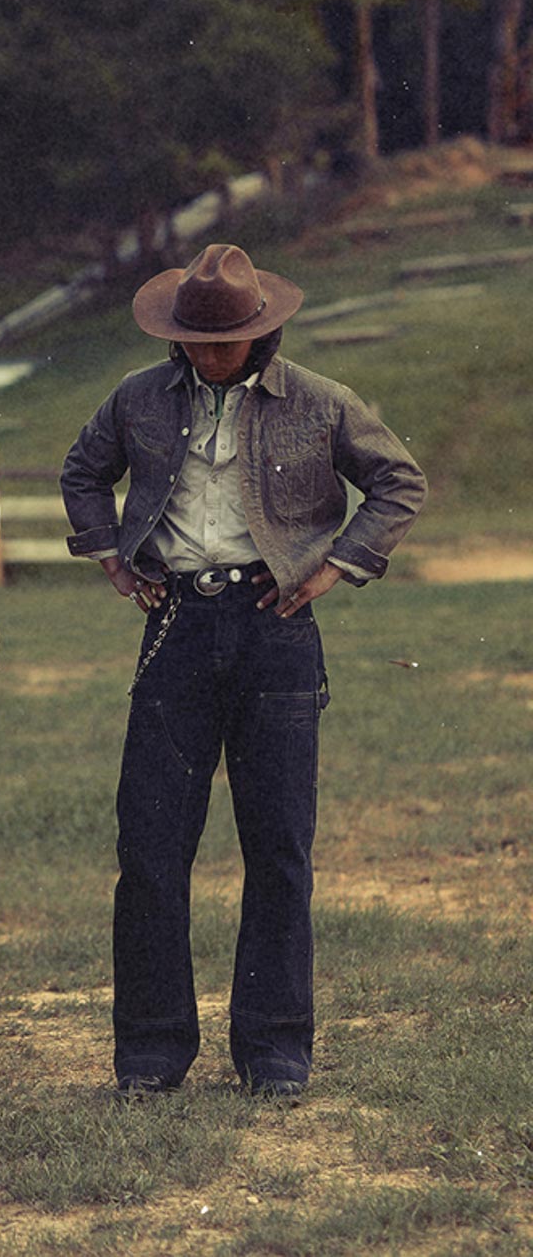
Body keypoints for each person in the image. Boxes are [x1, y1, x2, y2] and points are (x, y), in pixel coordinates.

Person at [60, 243, 426, 1102]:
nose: (208, 354)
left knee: (280, 846)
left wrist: (334, 566)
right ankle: (150, 1055)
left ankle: (275, 1052)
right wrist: (115, 558)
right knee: (150, 845)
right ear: (175, 334)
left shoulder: (320, 402)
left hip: (277, 628)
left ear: (263, 332)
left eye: (224, 341)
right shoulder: (137, 398)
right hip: (175, 625)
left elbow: (398, 483)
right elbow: (84, 474)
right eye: (193, 340)